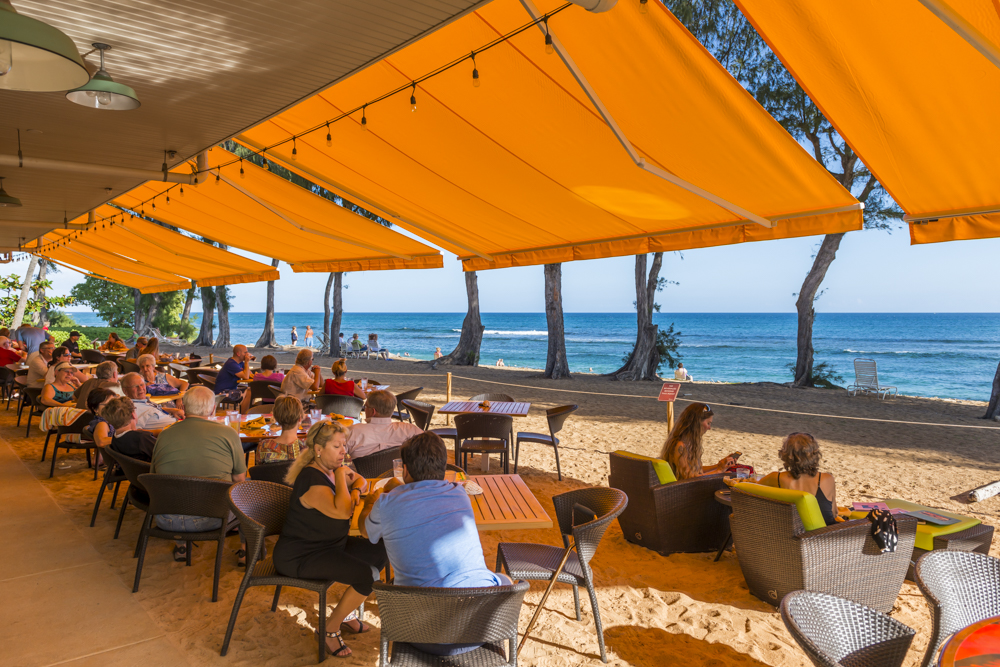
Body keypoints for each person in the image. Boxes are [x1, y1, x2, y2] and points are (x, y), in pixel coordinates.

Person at [361, 432, 509, 657]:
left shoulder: (387, 502)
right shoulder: (459, 493)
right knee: (504, 580)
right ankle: (496, 654)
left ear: (406, 470)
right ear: (443, 468)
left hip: (420, 633)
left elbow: (367, 533)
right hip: (479, 630)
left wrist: (372, 501)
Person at [273, 421, 386, 658]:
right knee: (367, 575)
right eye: (337, 446)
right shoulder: (312, 480)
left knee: (379, 549)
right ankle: (329, 629)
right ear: (318, 449)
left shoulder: (328, 471)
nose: (344, 451)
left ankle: (345, 613)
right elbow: (344, 511)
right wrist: (342, 476)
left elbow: (361, 481)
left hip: (330, 544)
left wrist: (353, 488)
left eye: (344, 445)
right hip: (302, 555)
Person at [149, 385, 247, 562]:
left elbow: (154, 477)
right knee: (250, 489)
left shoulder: (164, 434)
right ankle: (245, 550)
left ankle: (181, 546)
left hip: (166, 518)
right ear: (213, 409)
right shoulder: (228, 434)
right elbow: (239, 480)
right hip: (214, 518)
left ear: (184, 408)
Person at [759, 433, 839, 526]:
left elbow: (749, 491)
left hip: (788, 535)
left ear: (786, 454)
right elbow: (834, 513)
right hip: (825, 537)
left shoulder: (775, 478)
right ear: (815, 454)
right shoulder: (827, 479)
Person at [659, 403, 735, 480]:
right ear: (697, 423)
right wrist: (719, 471)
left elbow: (697, 470)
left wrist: (720, 465)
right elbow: (690, 478)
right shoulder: (680, 445)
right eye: (708, 423)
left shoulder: (690, 442)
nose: (709, 428)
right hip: (683, 489)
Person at [346, 389, 422, 460]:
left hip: (359, 473)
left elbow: (338, 458)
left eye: (366, 407)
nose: (364, 409)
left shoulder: (352, 432)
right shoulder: (410, 429)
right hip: (397, 473)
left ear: (373, 411)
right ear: (392, 410)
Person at [102, 395, 157, 462]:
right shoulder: (141, 438)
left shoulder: (115, 439)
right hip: (150, 471)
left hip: (129, 472)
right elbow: (164, 454)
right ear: (133, 414)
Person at [256, 396, 306, 463]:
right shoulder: (306, 449)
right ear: (300, 418)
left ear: (276, 418)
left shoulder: (263, 447)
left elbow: (259, 472)